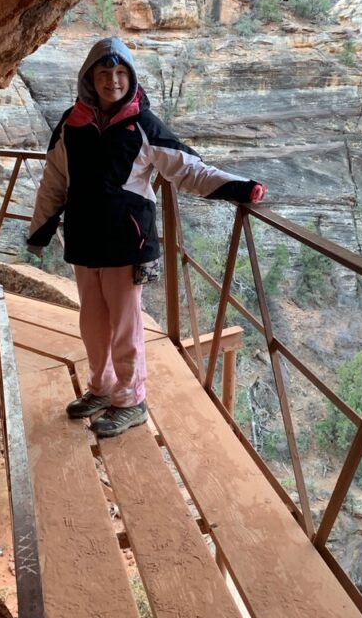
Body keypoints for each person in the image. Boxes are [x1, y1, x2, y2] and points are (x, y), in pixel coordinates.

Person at [26, 36, 266, 438]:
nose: (113, 81)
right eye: (104, 73)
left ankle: (131, 399)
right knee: (93, 322)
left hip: (126, 244)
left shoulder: (143, 125)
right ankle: (101, 388)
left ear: (131, 78)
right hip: (84, 241)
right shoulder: (72, 124)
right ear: (90, 77)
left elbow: (190, 170)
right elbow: (54, 181)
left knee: (125, 326)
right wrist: (41, 230)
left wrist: (240, 188)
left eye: (121, 73)